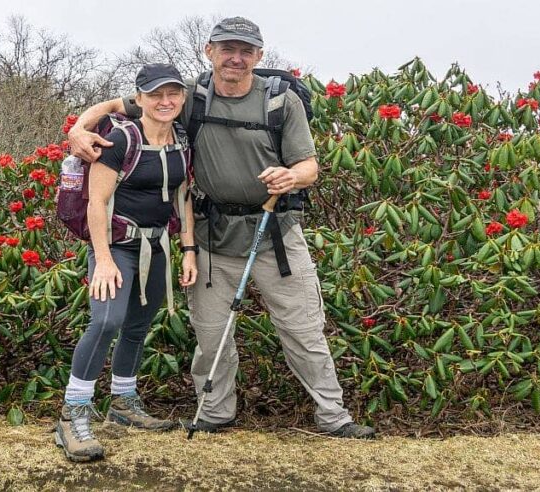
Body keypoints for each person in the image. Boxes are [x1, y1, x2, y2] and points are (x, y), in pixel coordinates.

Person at [68, 17, 375, 439]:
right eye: (227, 48)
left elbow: (310, 165)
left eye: (246, 50)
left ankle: (333, 416)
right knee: (212, 336)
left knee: (303, 331)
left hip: (276, 235)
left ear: (259, 56)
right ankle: (215, 412)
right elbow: (113, 107)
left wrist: (293, 177)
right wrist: (77, 130)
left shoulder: (281, 102)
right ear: (208, 51)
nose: (236, 57)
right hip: (212, 237)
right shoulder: (185, 97)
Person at [55, 63, 199, 462]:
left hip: (158, 247)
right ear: (140, 98)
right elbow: (97, 202)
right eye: (155, 94)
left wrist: (188, 250)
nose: (165, 101)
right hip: (116, 246)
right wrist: (102, 259)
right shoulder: (120, 137)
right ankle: (74, 413)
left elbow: (183, 197)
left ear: (182, 97)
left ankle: (123, 402)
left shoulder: (182, 138)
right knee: (106, 320)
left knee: (138, 325)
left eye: (173, 93)